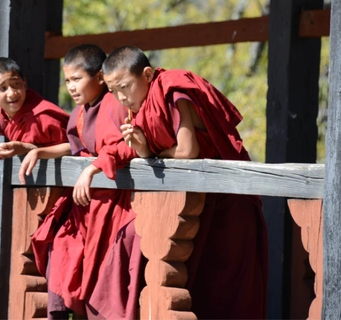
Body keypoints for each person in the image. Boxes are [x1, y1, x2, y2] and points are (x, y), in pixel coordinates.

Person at [102, 45, 268, 319]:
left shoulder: (173, 89)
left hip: (229, 204)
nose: (121, 97)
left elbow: (187, 151)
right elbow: (154, 151)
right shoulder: (145, 105)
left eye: (125, 87)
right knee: (198, 287)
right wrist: (144, 150)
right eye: (114, 92)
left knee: (228, 293)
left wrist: (152, 152)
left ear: (147, 73)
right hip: (200, 206)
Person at [21, 44, 142, 320]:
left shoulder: (113, 103)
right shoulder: (80, 111)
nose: (71, 87)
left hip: (113, 203)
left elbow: (123, 147)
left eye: (77, 79)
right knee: (61, 246)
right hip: (87, 203)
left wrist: (90, 170)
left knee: (102, 274)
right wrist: (39, 151)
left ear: (99, 77)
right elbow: (76, 147)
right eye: (67, 81)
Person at [0, 57, 69, 162]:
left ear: (25, 83)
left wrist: (28, 149)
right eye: (3, 88)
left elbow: (73, 148)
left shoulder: (44, 116)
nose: (12, 93)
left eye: (16, 84)